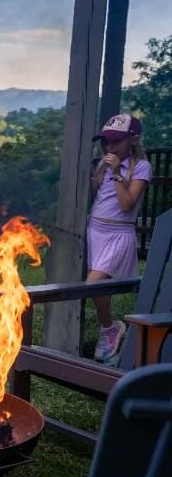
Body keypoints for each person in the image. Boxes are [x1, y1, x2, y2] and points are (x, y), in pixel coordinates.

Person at [87, 114, 151, 364]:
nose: (109, 147)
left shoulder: (141, 167)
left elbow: (126, 205)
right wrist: (100, 175)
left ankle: (110, 329)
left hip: (118, 233)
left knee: (93, 284)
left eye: (115, 142)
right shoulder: (104, 163)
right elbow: (100, 199)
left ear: (133, 140)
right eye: (105, 142)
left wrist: (116, 173)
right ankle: (109, 335)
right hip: (97, 230)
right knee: (101, 287)